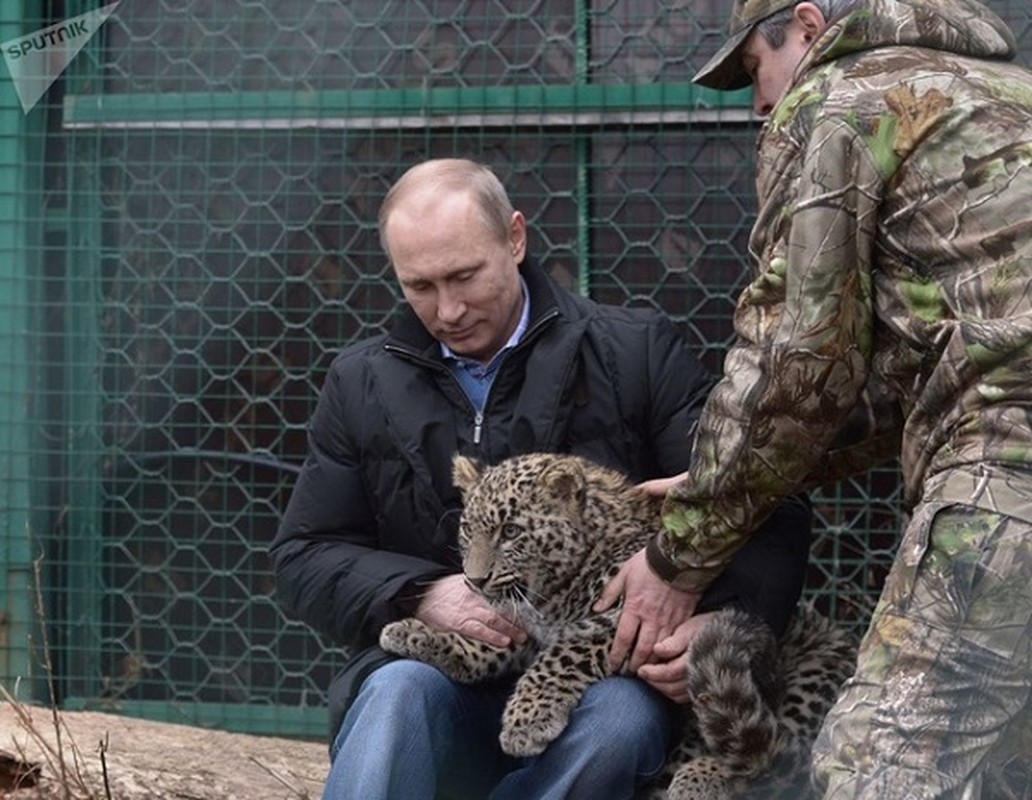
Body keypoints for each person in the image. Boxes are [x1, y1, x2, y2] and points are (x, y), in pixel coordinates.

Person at [270, 158, 813, 800]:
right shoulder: (361, 382)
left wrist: (716, 620)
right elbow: (304, 554)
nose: (446, 309)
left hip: (600, 678)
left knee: (618, 723)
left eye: (465, 275)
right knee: (393, 695)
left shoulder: (633, 352)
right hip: (449, 670)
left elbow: (763, 500)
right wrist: (421, 593)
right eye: (418, 286)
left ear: (516, 238)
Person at [596, 1, 1032, 797]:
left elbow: (796, 365)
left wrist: (680, 553)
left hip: (1010, 466)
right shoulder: (1006, 91)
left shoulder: (838, 101)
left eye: (757, 74)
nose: (759, 104)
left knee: (874, 771)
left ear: (806, 24)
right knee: (1001, 771)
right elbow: (912, 371)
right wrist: (721, 486)